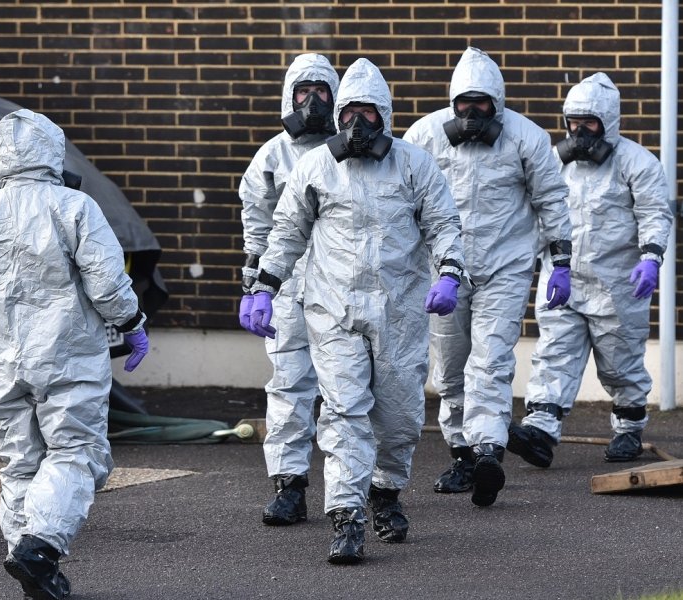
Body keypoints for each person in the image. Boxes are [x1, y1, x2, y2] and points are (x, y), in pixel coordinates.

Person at [0, 109, 149, 600]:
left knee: (20, 460)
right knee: (76, 451)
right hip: (66, 355)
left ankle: (30, 569)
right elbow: (106, 283)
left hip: (1, 362)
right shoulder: (75, 208)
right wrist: (132, 324)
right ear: (52, 151)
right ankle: (40, 548)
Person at [244, 57, 465, 564]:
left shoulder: (414, 165)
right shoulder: (315, 165)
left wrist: (450, 273)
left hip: (401, 311)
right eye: (350, 114)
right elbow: (286, 232)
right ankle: (345, 517)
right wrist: (263, 287)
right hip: (333, 309)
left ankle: (385, 495)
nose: (357, 125)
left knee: (400, 414)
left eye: (368, 113)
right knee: (344, 411)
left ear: (384, 114)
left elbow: (444, 224)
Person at [402, 47, 572, 507]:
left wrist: (561, 262)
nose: (471, 112)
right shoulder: (425, 136)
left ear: (496, 101)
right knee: (451, 364)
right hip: (443, 273)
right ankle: (462, 453)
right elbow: (400, 198)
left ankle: (489, 451)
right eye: (464, 103)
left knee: (491, 360)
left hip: (505, 267)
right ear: (452, 100)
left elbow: (552, 200)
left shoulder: (526, 138)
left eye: (481, 102)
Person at [507, 73, 672, 467]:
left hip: (619, 285)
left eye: (590, 123)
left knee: (621, 365)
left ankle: (629, 430)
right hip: (563, 279)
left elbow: (654, 213)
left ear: (608, 122)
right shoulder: (553, 162)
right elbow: (536, 211)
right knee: (553, 354)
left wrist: (651, 257)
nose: (580, 132)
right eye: (574, 122)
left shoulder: (636, 163)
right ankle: (541, 431)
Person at [237, 53, 339, 530]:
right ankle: (289, 485)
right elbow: (256, 229)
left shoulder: (355, 151)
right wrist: (253, 286)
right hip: (286, 286)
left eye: (322, 91)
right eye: (304, 92)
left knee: (350, 391)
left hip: (343, 286)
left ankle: (361, 490)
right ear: (289, 96)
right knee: (288, 385)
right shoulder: (272, 157)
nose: (313, 101)